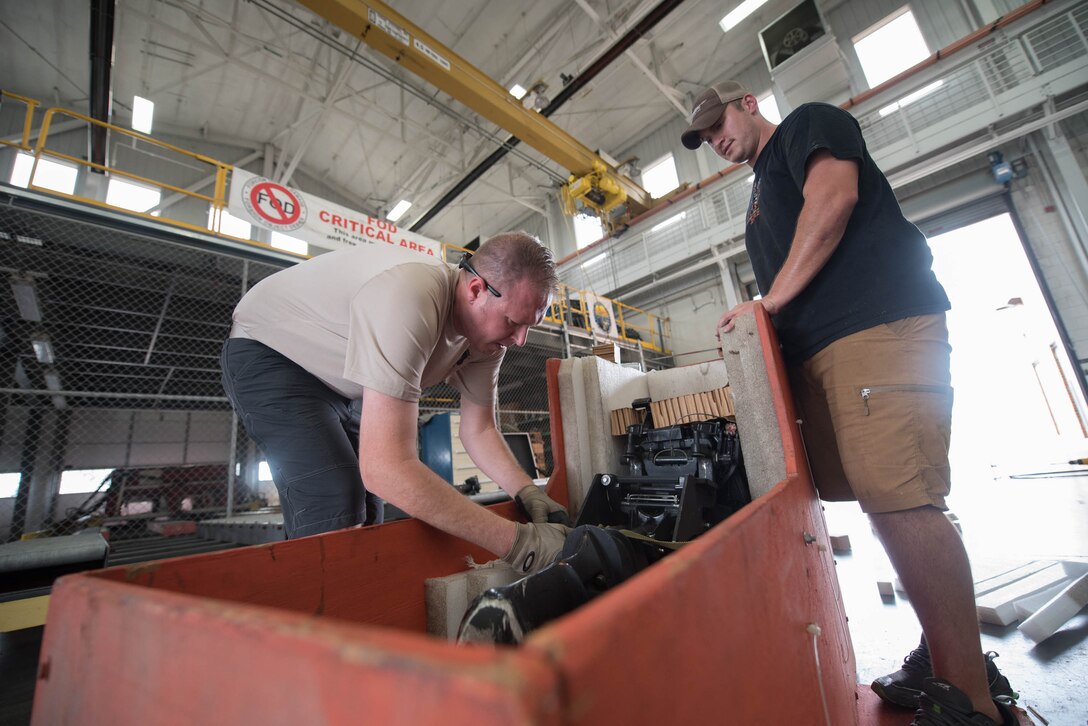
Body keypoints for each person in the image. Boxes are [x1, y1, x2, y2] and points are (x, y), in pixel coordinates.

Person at [681, 81, 1017, 725]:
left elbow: (834, 198)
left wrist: (768, 304)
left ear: (747, 102)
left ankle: (972, 702)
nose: (715, 141)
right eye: (704, 140)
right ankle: (942, 654)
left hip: (875, 326)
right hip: (828, 350)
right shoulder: (758, 193)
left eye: (718, 124)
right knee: (883, 502)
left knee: (903, 498)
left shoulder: (809, 123)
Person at [220, 232, 570, 574]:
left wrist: (526, 492)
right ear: (476, 290)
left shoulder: (487, 339)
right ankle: (309, 625)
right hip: (272, 353)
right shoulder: (411, 296)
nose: (519, 340)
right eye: (513, 322)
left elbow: (478, 429)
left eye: (529, 326)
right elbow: (386, 468)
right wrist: (521, 545)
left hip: (344, 383)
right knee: (334, 502)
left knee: (371, 512)